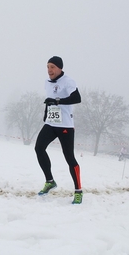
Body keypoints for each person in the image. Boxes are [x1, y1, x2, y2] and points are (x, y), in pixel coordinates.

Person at [34, 56, 83, 204]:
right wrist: (46, 111)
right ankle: (50, 181)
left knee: (69, 157)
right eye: (48, 67)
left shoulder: (68, 81)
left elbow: (77, 98)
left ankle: (78, 191)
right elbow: (49, 99)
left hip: (65, 125)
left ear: (60, 68)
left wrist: (57, 101)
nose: (49, 70)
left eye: (52, 67)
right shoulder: (47, 82)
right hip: (51, 123)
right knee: (39, 148)